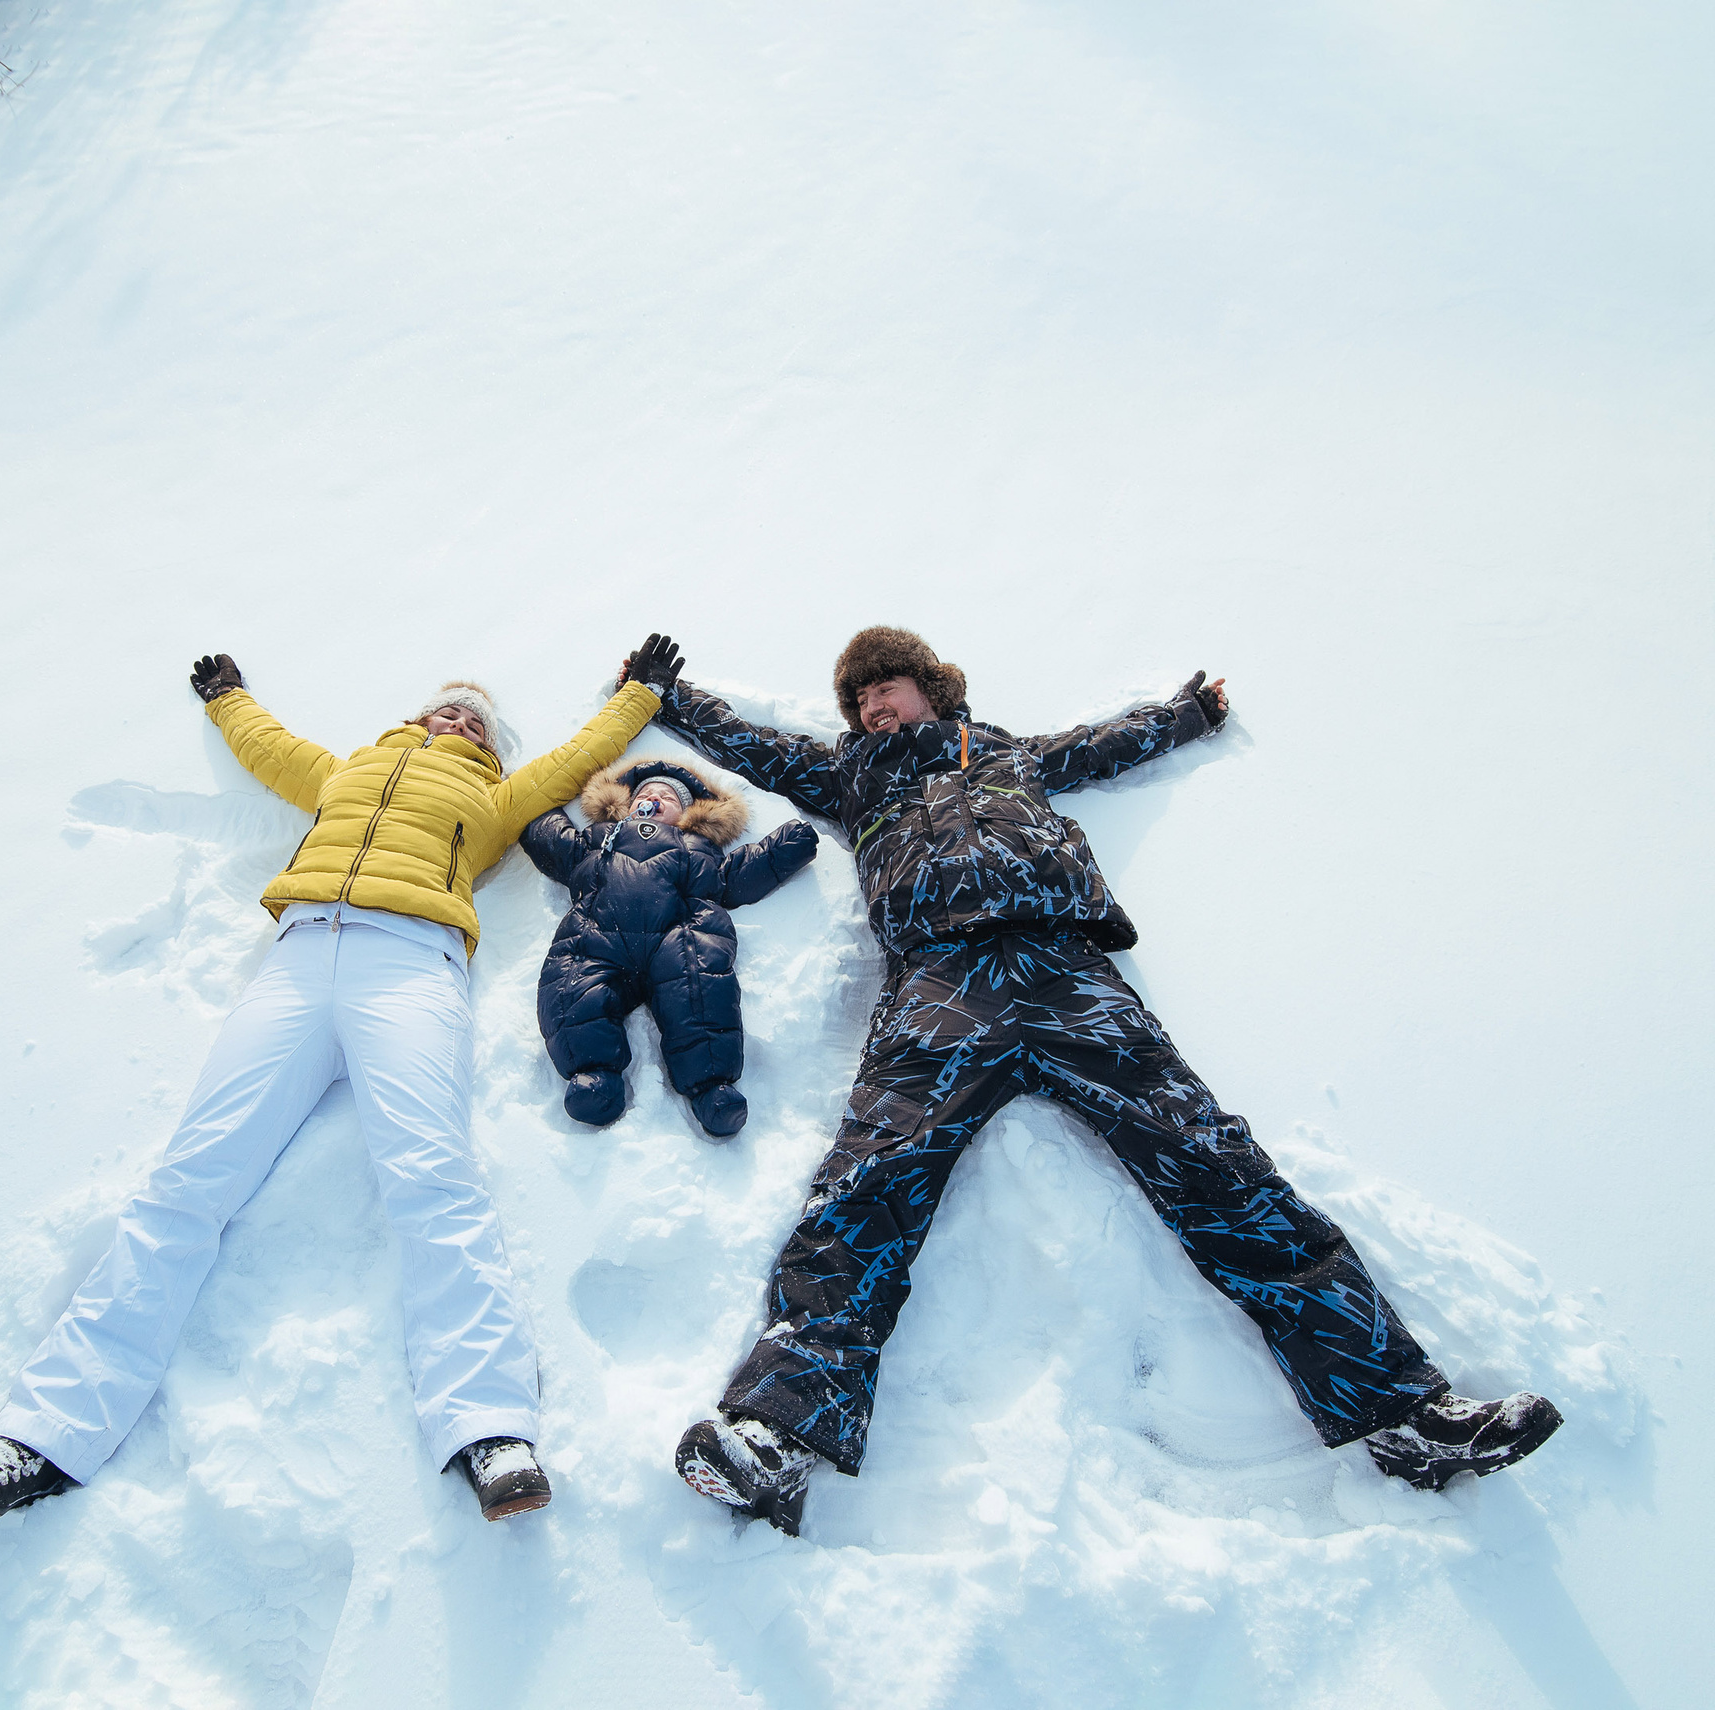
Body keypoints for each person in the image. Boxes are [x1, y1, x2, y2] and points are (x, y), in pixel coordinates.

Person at [640, 627, 1560, 1534]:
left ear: (933, 687)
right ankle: (781, 1433)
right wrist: (667, 698)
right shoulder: (848, 773)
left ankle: (1403, 1416)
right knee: (874, 1177)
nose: (874, 706)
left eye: (888, 688)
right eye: (860, 700)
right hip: (940, 982)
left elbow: (1103, 744)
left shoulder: (1005, 753)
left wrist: (1188, 714)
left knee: (1213, 1162)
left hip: (1065, 966)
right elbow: (752, 746)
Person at [0, 637, 687, 1524]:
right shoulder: (347, 772)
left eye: (477, 718)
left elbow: (576, 758)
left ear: (489, 745)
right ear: (419, 716)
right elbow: (271, 748)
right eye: (449, 706)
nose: (460, 716)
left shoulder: (494, 799)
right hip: (298, 960)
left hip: (411, 963)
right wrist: (228, 701)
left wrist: (637, 697)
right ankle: (43, 1433)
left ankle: (490, 1426)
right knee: (189, 1180)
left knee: (433, 1179)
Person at [520, 757, 819, 1138]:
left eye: (668, 797)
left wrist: (788, 845)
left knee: (700, 991)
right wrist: (532, 805)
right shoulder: (600, 838)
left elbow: (738, 874)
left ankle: (712, 1089)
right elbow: (555, 842)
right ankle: (593, 1074)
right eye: (645, 794)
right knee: (572, 985)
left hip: (678, 938)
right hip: (599, 935)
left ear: (688, 814)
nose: (655, 800)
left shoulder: (697, 848)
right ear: (626, 804)